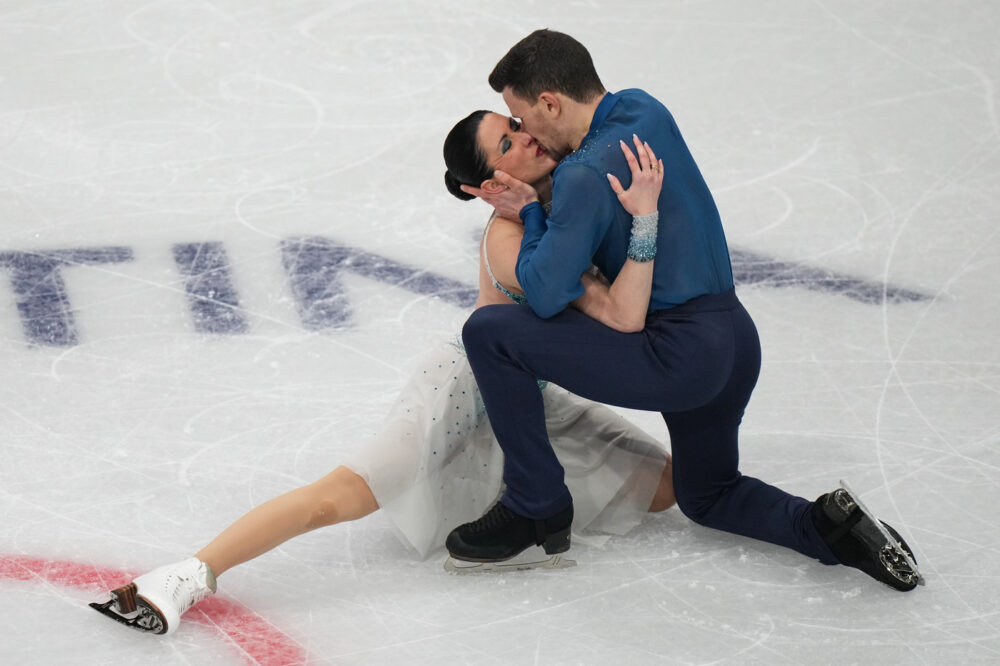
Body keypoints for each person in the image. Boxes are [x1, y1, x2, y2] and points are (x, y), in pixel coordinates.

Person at [89, 112, 676, 635]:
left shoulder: (558, 208)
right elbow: (613, 315)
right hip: (465, 389)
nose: (527, 137)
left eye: (518, 127)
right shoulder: (510, 240)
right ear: (488, 185)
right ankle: (184, 577)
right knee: (343, 496)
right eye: (507, 142)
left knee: (667, 489)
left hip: (534, 397)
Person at [445, 29, 923, 592]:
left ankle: (535, 502)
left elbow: (546, 292)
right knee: (708, 494)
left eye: (521, 119)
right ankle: (827, 526)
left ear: (551, 102)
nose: (527, 133)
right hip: (737, 341)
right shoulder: (646, 108)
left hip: (681, 357)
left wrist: (530, 213)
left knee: (490, 332)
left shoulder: (580, 174)